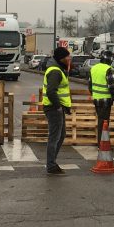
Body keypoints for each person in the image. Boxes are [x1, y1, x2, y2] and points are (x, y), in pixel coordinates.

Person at [43, 47, 72, 175]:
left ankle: (52, 162)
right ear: (61, 58)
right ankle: (51, 165)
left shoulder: (59, 69)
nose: (69, 59)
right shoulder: (55, 72)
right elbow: (51, 91)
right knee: (55, 137)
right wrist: (58, 106)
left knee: (61, 135)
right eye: (67, 57)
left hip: (58, 108)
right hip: (54, 108)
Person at [89, 50, 114, 144]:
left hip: (96, 99)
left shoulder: (93, 68)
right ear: (110, 60)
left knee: (101, 121)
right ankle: (102, 144)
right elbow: (112, 87)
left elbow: (90, 86)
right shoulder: (108, 69)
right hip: (106, 101)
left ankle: (102, 143)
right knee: (104, 123)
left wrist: (95, 94)